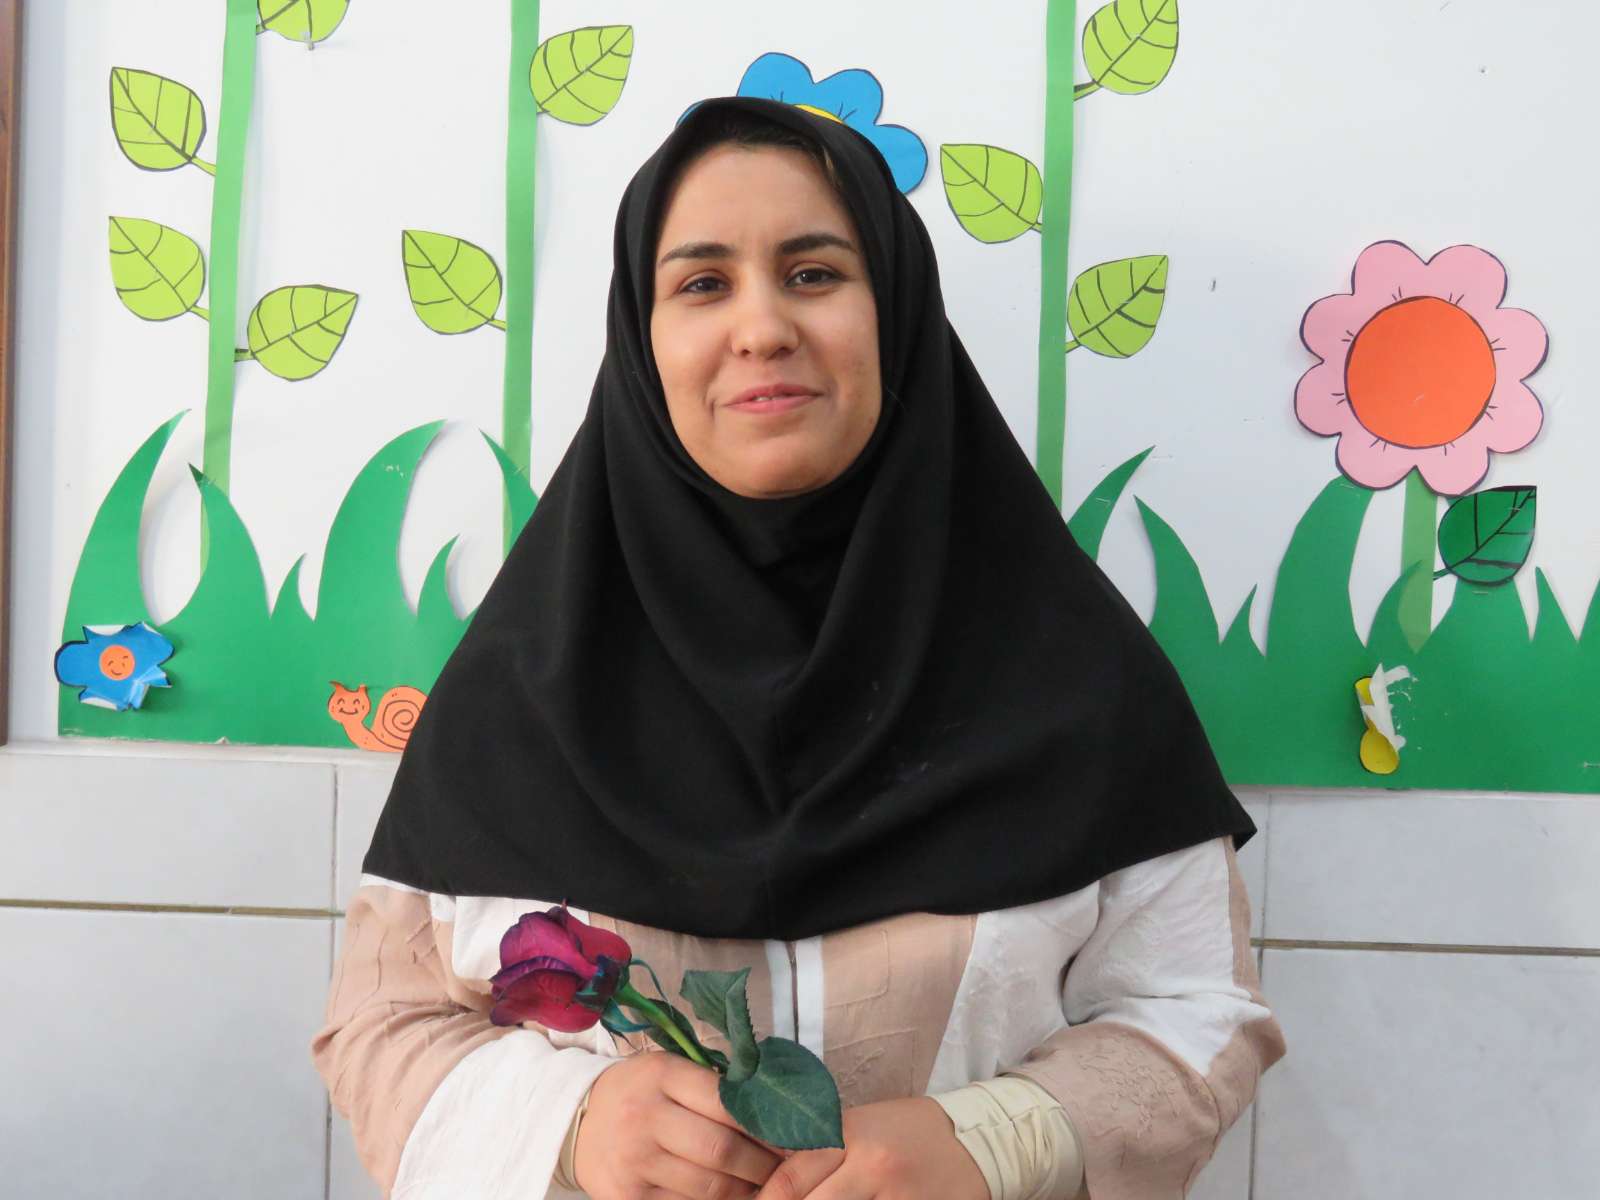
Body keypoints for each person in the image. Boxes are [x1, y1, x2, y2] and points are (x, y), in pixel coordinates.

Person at [312, 96, 1285, 1200]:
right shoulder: (517, 691)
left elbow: (1198, 1014)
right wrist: (573, 1123)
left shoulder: (1077, 680)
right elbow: (380, 1028)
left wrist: (998, 1136)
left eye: (814, 273)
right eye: (702, 284)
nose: (762, 327)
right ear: (641, 336)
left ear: (896, 312)